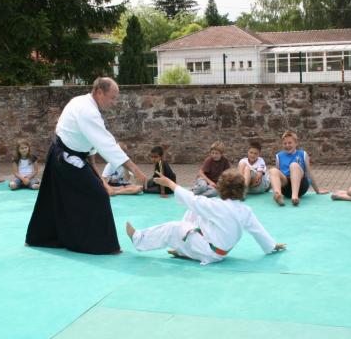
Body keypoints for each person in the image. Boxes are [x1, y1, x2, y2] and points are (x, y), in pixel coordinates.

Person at [25, 77, 146, 255]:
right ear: (99, 92)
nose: (114, 103)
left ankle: (47, 237)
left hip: (67, 156)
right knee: (98, 196)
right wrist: (135, 170)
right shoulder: (86, 110)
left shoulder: (82, 103)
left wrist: (97, 175)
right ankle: (100, 245)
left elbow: (90, 145)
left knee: (61, 198)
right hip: (65, 158)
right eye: (112, 97)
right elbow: (107, 144)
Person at [126, 169, 286, 265]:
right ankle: (183, 249)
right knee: (193, 211)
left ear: (221, 187)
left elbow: (191, 198)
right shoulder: (244, 209)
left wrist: (170, 184)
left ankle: (139, 238)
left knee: (174, 227)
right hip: (217, 250)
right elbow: (258, 231)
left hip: (209, 250)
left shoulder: (218, 206)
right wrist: (272, 245)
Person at [269, 130, 328, 206]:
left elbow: (309, 173)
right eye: (285, 143)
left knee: (294, 165)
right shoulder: (279, 156)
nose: (287, 145)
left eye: (290, 143)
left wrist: (317, 190)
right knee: (273, 170)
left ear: (296, 143)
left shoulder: (303, 154)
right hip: (286, 188)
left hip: (301, 185)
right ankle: (278, 195)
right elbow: (277, 176)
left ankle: (295, 197)